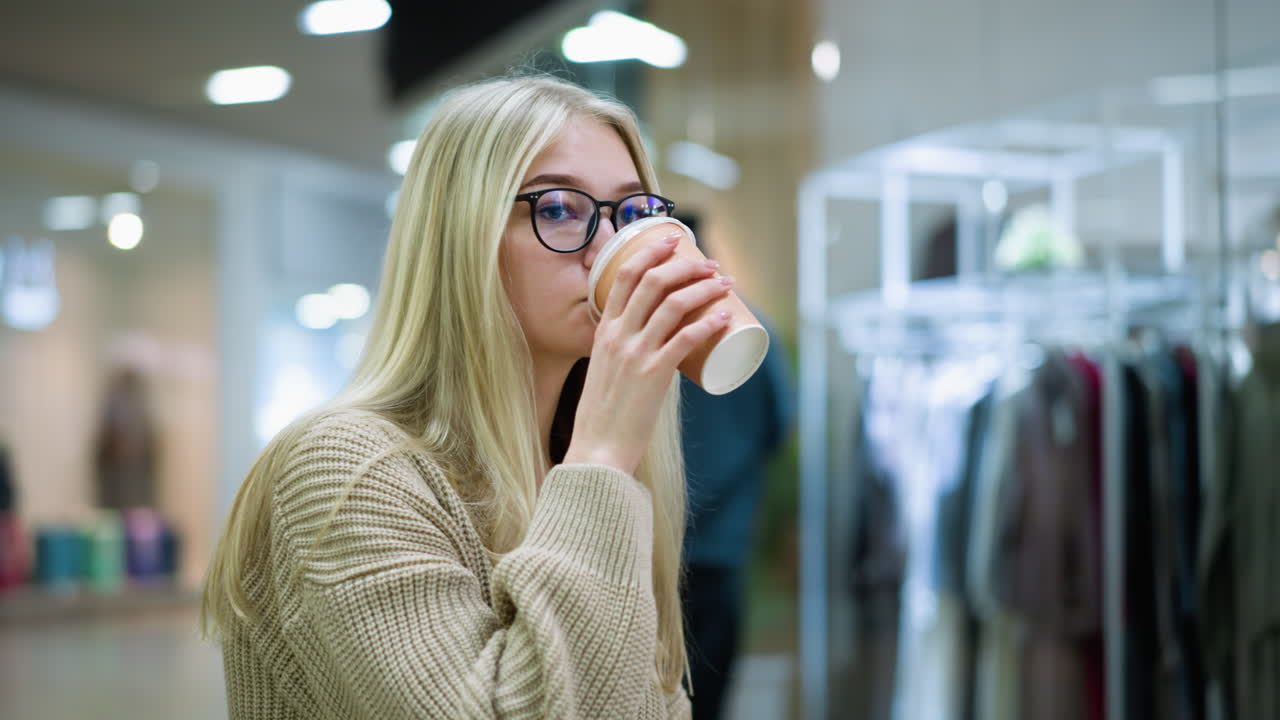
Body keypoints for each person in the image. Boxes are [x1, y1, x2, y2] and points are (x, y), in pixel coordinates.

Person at [201, 75, 737, 719]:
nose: (610, 252)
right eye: (559, 208)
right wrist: (603, 453)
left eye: (630, 214)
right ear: (464, 236)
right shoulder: (341, 469)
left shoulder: (568, 469)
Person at [674, 215, 795, 720]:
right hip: (723, 543)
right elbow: (780, 428)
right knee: (713, 691)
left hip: (660, 543)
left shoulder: (640, 340)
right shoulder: (754, 332)